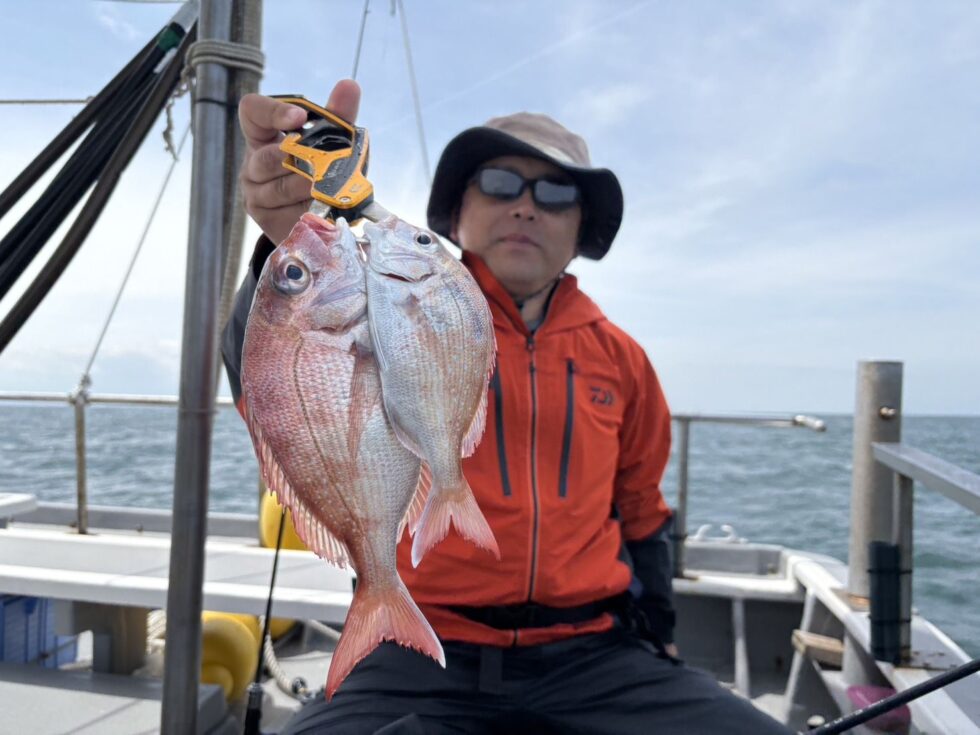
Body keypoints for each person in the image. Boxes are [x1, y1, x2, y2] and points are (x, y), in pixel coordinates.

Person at [222, 80, 792, 735]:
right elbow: (274, 381)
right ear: (457, 213)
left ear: (581, 229)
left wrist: (659, 633)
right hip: (419, 647)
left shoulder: (624, 359)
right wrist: (284, 244)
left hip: (599, 655)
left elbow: (642, 509)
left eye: (556, 193)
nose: (526, 206)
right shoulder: (385, 302)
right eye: (499, 182)